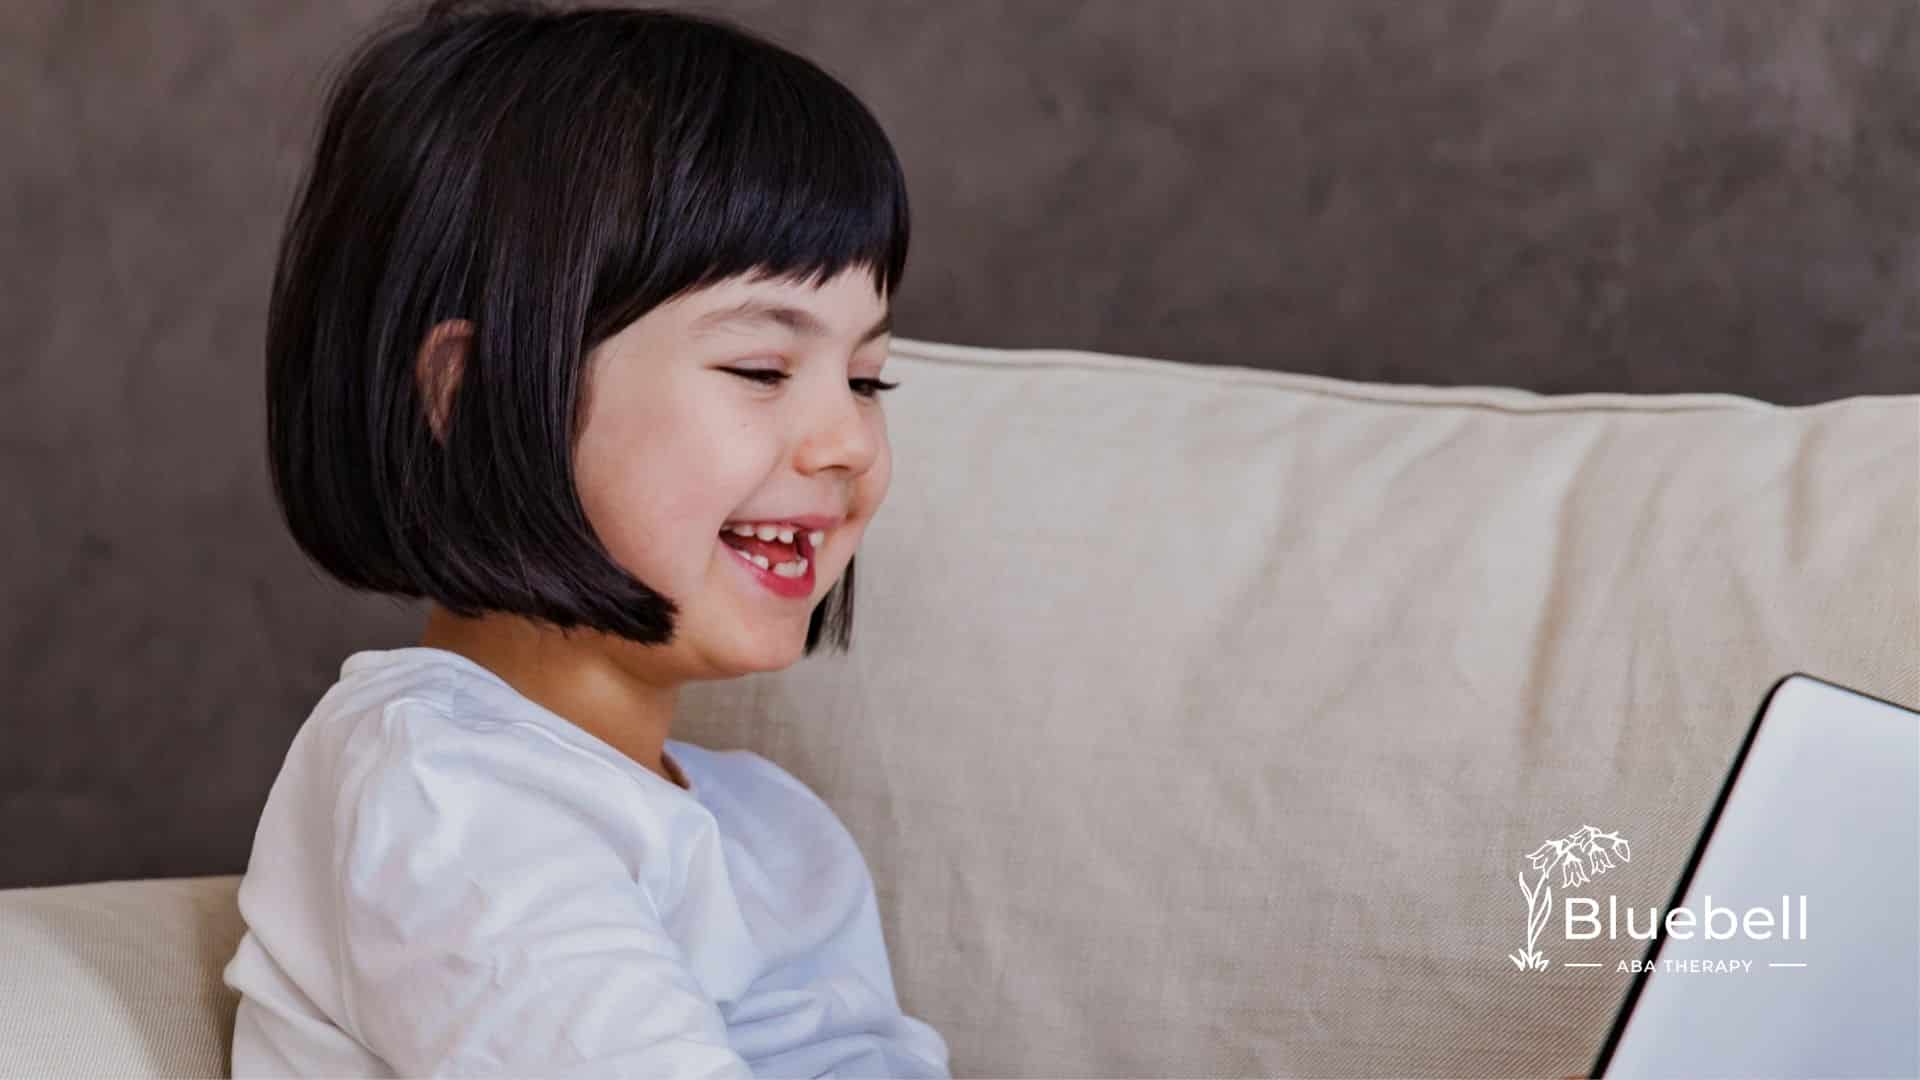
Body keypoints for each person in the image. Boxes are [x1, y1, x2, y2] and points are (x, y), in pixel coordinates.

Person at [220, 0, 948, 1074]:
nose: (846, 439)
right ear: (472, 396)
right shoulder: (443, 790)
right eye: (761, 369)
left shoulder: (779, 833)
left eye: (865, 377)